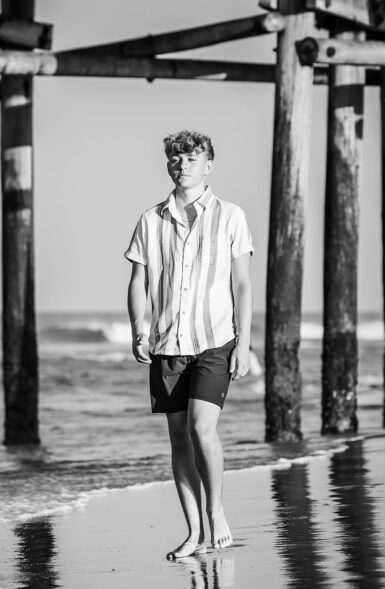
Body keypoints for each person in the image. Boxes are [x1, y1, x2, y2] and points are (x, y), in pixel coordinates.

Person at [124, 129, 253, 560]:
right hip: (167, 343)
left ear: (208, 166)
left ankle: (216, 514)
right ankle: (194, 532)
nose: (183, 166)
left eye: (192, 160)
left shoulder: (231, 216)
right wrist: (137, 329)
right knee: (178, 437)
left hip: (215, 340)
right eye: (176, 160)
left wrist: (245, 343)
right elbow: (138, 279)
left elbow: (242, 283)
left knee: (202, 428)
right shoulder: (150, 219)